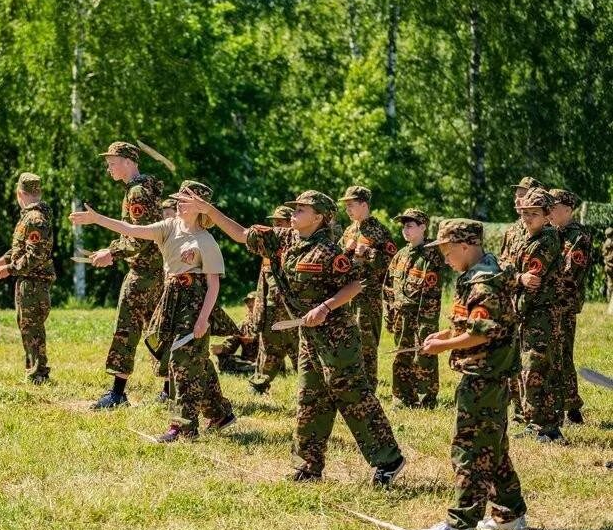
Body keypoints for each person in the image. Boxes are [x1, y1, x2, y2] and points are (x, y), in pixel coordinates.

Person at [175, 188, 405, 485]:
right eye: (294, 209)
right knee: (310, 398)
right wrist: (208, 209)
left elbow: (354, 285)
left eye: (301, 210)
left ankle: (389, 460)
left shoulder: (330, 252)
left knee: (352, 396)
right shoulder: (285, 239)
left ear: (319, 217)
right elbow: (241, 234)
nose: (294, 214)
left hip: (336, 334)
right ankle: (308, 466)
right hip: (309, 335)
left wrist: (326, 306)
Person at [70, 180, 236, 442]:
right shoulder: (169, 227)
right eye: (178, 199)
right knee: (193, 359)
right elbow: (131, 228)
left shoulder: (206, 241)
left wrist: (203, 319)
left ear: (200, 207)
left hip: (194, 301)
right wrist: (96, 218)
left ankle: (182, 427)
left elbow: (213, 285)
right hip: (170, 297)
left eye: (185, 200)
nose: (178, 203)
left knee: (180, 362)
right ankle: (220, 413)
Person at [418, 219, 527, 530]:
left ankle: (461, 526)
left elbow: (482, 332)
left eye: (447, 250)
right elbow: (474, 323)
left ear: (465, 245)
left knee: (470, 450)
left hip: (485, 376)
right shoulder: (480, 275)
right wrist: (447, 334)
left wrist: (443, 346)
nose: (444, 257)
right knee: (492, 448)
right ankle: (510, 516)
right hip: (487, 373)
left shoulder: (483, 284)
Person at [90, 142, 165, 409]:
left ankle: (117, 394)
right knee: (158, 330)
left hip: (143, 273)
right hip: (157, 272)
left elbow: (140, 238)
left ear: (128, 161)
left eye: (112, 161)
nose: (108, 166)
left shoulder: (137, 193)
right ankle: (170, 388)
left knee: (126, 329)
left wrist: (111, 252)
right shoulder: (144, 189)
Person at [508, 188, 564, 443]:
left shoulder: (545, 240)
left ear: (547, 215)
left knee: (537, 369)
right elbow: (505, 266)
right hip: (525, 312)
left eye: (533, 214)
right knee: (526, 369)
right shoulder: (525, 237)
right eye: (524, 213)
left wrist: (513, 279)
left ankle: (548, 426)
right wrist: (517, 277)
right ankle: (535, 422)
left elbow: (532, 284)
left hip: (539, 313)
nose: (527, 218)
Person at [0, 173, 56, 384]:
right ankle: (34, 371)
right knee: (27, 328)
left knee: (33, 328)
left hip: (34, 283)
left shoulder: (35, 219)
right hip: (27, 281)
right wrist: (5, 259)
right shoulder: (29, 217)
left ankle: (38, 375)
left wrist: (9, 269)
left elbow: (35, 256)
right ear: (39, 191)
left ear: (20, 193)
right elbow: (22, 247)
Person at [383, 209, 446, 409]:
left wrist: (425, 323)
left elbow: (431, 292)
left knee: (424, 356)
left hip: (423, 317)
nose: (405, 230)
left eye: (410, 226)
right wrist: (389, 315)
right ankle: (402, 397)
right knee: (402, 354)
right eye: (404, 226)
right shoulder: (400, 255)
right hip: (401, 315)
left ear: (423, 227)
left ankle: (426, 398)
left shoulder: (432, 255)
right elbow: (388, 287)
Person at [338, 185, 396, 388]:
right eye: (346, 206)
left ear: (364, 205)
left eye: (351, 205)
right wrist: (346, 250)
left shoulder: (379, 231)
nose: (347, 210)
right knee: (347, 340)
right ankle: (352, 381)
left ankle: (368, 385)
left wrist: (369, 253)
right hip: (346, 295)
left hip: (368, 295)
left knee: (366, 342)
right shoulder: (349, 230)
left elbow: (392, 264)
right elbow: (337, 261)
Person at [548, 189, 592, 425]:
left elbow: (569, 275)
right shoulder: (553, 233)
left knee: (562, 354)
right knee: (554, 354)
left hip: (564, 304)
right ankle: (565, 404)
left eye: (554, 208)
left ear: (568, 209)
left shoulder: (577, 237)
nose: (550, 212)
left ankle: (571, 408)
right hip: (550, 304)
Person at [247, 205, 299, 394]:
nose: (275, 227)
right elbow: (264, 283)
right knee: (268, 349)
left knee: (301, 351)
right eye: (273, 223)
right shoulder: (268, 249)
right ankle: (259, 385)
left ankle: (314, 388)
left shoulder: (295, 247)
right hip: (271, 309)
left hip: (292, 311)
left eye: (280, 223)